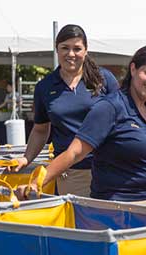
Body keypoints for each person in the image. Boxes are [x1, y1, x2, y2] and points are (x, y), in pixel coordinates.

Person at [18, 45, 146, 206]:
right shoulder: (110, 107)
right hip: (119, 211)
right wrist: (37, 182)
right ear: (133, 69)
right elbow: (74, 152)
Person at [13, 24, 120, 197]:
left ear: (86, 50)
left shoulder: (104, 79)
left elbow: (123, 119)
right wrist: (26, 158)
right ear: (57, 49)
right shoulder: (44, 87)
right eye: (65, 48)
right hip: (71, 173)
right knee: (77, 223)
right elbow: (41, 130)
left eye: (77, 48)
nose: (71, 54)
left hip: (110, 169)